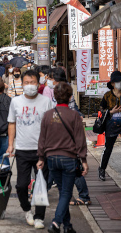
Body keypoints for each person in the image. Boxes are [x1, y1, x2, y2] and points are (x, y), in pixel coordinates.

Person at [38, 83, 88, 233]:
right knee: (66, 193)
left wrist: (41, 157)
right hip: (69, 159)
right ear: (70, 97)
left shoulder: (47, 115)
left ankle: (68, 226)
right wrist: (84, 160)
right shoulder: (74, 116)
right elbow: (80, 140)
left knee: (63, 192)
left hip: (51, 159)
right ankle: (56, 222)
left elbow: (42, 139)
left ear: (54, 97)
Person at [7, 70, 53, 229]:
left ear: (38, 84)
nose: (29, 86)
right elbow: (11, 123)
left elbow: (50, 125)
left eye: (32, 82)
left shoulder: (46, 101)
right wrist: (10, 144)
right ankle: (27, 209)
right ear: (22, 84)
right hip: (22, 149)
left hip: (42, 150)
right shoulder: (16, 101)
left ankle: (39, 217)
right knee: (21, 185)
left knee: (41, 185)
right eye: (26, 83)